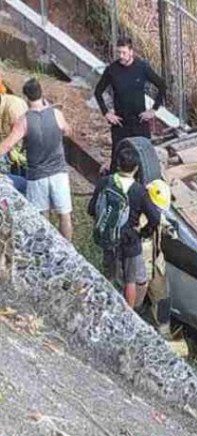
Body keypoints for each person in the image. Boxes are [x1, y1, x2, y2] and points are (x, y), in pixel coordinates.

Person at [0, 78, 73, 240]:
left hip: (37, 175)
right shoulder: (56, 114)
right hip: (59, 172)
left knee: (41, 216)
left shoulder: (24, 121)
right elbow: (68, 131)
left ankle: (46, 248)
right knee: (65, 215)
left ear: (26, 97)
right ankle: (68, 249)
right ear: (42, 94)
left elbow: (6, 146)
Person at [88, 150, 160, 308]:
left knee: (111, 274)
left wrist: (105, 224)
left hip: (107, 237)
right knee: (130, 280)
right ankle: (128, 314)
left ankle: (108, 304)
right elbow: (155, 218)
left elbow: (91, 209)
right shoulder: (139, 191)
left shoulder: (104, 182)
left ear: (118, 164)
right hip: (130, 240)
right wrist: (143, 232)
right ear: (136, 168)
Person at [94, 36, 166, 175]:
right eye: (118, 53)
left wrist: (154, 109)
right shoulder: (112, 70)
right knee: (117, 157)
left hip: (140, 120)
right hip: (121, 122)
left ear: (131, 52)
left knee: (144, 157)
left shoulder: (142, 67)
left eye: (124, 53)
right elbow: (98, 92)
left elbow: (162, 86)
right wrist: (107, 113)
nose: (121, 56)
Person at [136, 179, 174, 338]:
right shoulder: (135, 213)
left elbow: (160, 220)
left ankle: (164, 333)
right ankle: (133, 322)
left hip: (156, 262)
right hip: (138, 263)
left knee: (162, 297)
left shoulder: (155, 213)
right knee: (134, 297)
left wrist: (168, 229)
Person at [0, 87, 28, 194]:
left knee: (26, 186)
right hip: (10, 154)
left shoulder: (14, 107)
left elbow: (15, 139)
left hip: (22, 155)